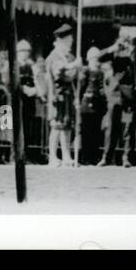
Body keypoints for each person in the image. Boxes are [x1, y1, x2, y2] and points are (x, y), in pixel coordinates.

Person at [99, 25, 136, 166]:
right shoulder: (114, 51)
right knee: (112, 125)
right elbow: (99, 57)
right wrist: (113, 48)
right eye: (123, 37)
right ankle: (106, 157)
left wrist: (133, 52)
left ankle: (127, 157)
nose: (125, 40)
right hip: (116, 91)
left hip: (130, 91)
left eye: (128, 38)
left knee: (129, 126)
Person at [45, 24, 78, 166]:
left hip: (68, 94)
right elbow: (59, 74)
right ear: (61, 41)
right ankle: (52, 156)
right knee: (56, 126)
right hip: (57, 94)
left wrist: (73, 69)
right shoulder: (53, 56)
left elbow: (72, 76)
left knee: (67, 125)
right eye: (68, 41)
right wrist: (73, 67)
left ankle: (66, 155)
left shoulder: (69, 57)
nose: (70, 43)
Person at [78, 46, 108, 166]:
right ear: (89, 58)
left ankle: (93, 157)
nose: (96, 60)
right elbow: (81, 87)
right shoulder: (85, 71)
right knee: (86, 131)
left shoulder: (101, 72)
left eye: (97, 58)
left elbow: (101, 88)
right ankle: (85, 157)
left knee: (96, 131)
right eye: (94, 58)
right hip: (87, 103)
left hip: (98, 104)